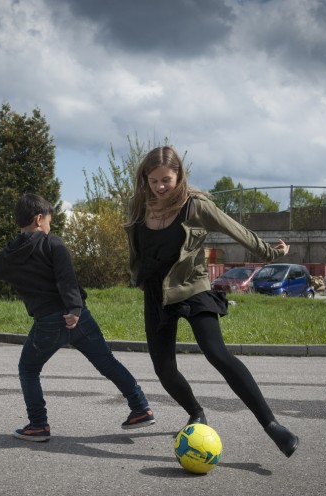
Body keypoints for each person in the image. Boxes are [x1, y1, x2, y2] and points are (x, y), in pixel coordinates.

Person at [124, 145, 299, 458]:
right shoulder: (138, 206)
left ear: (179, 175)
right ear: (145, 180)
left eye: (166, 179)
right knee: (163, 369)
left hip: (192, 286)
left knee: (217, 354)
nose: (161, 187)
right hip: (156, 293)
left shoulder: (196, 205)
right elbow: (137, 249)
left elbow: (236, 230)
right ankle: (195, 412)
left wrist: (270, 254)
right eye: (154, 181)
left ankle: (273, 426)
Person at [0, 193, 155, 442]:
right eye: (48, 221)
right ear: (38, 219)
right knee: (107, 362)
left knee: (28, 369)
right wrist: (75, 310)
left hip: (48, 322)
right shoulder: (53, 243)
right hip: (77, 317)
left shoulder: (8, 257)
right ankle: (140, 408)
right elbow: (66, 277)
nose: (49, 226)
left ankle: (38, 425)